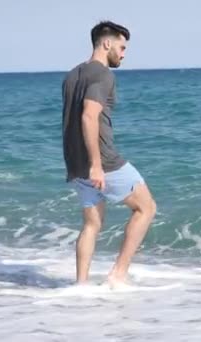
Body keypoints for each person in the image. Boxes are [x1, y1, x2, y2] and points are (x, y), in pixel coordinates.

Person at [61, 21, 156, 287]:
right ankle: (118, 274)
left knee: (92, 224)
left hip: (75, 163)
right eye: (122, 47)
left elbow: (70, 121)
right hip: (101, 162)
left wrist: (84, 165)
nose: (124, 53)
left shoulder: (72, 76)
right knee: (146, 208)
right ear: (107, 43)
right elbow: (88, 116)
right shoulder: (103, 75)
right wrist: (96, 166)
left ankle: (81, 286)